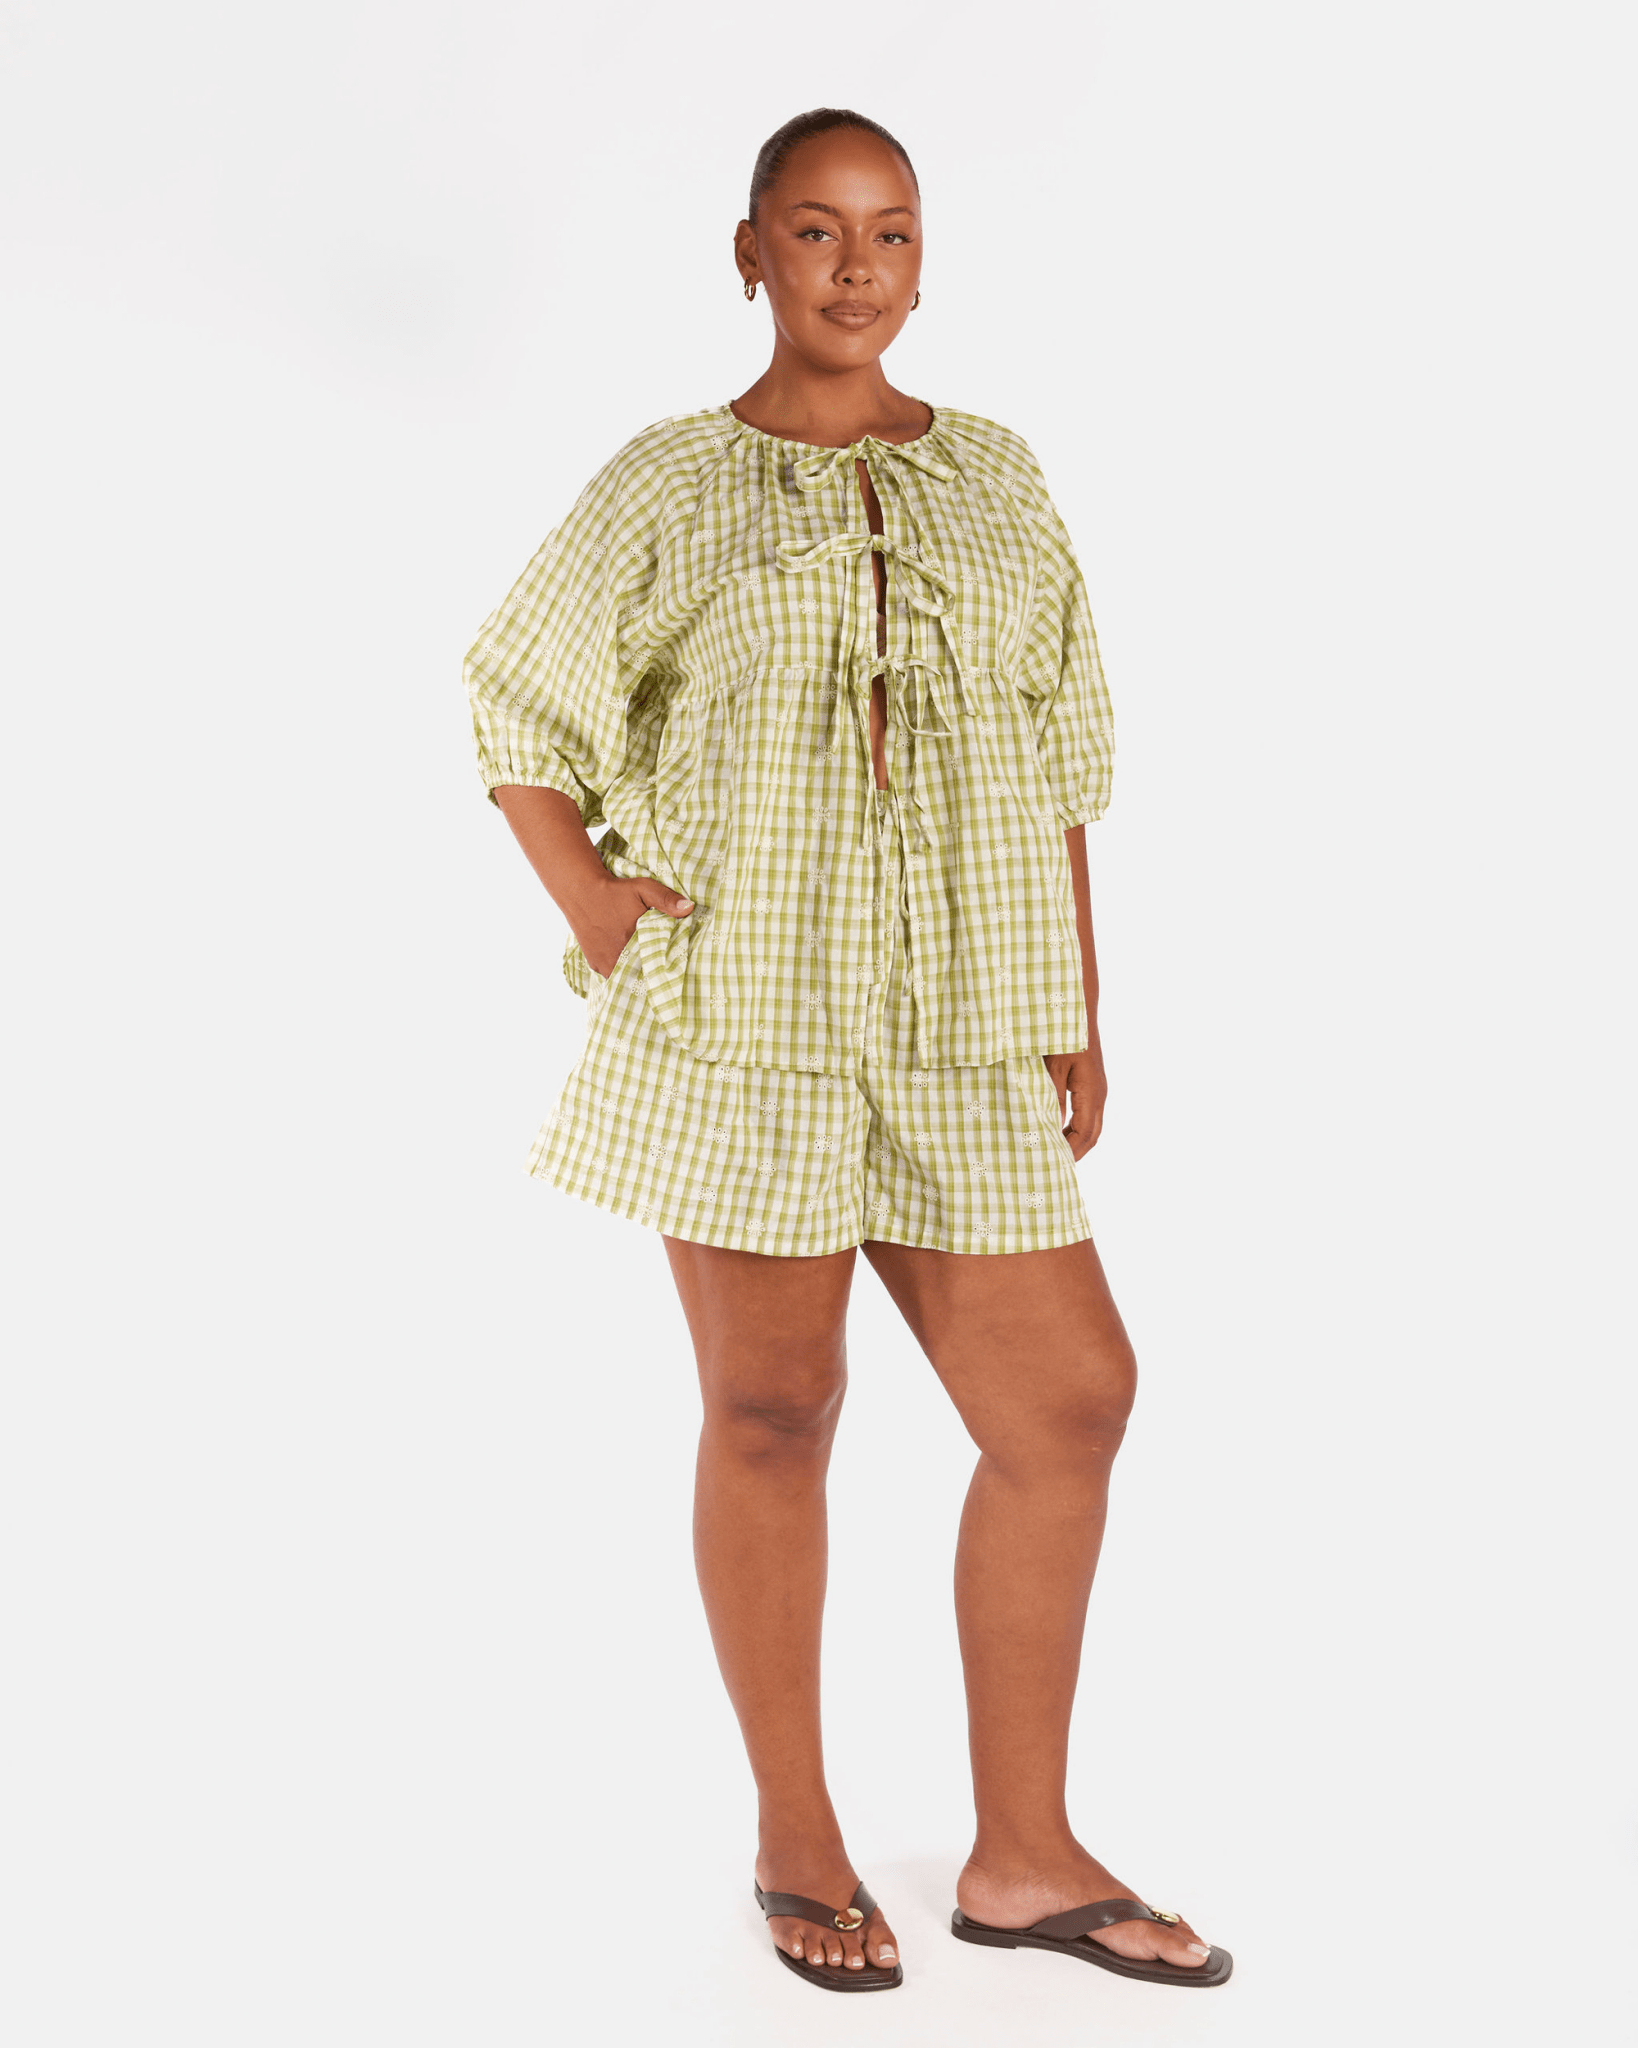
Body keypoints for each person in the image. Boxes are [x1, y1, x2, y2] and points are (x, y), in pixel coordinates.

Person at [464, 107, 1229, 1996]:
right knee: (773, 1409)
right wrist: (595, 907)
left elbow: (1060, 749)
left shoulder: (997, 475)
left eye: (888, 231)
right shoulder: (666, 482)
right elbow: (516, 701)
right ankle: (795, 1836)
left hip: (964, 1012)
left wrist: (1076, 1002)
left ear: (923, 257)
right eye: (814, 231)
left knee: (1068, 1402)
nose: (856, 266)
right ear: (751, 254)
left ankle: (1022, 1856)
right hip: (747, 1016)